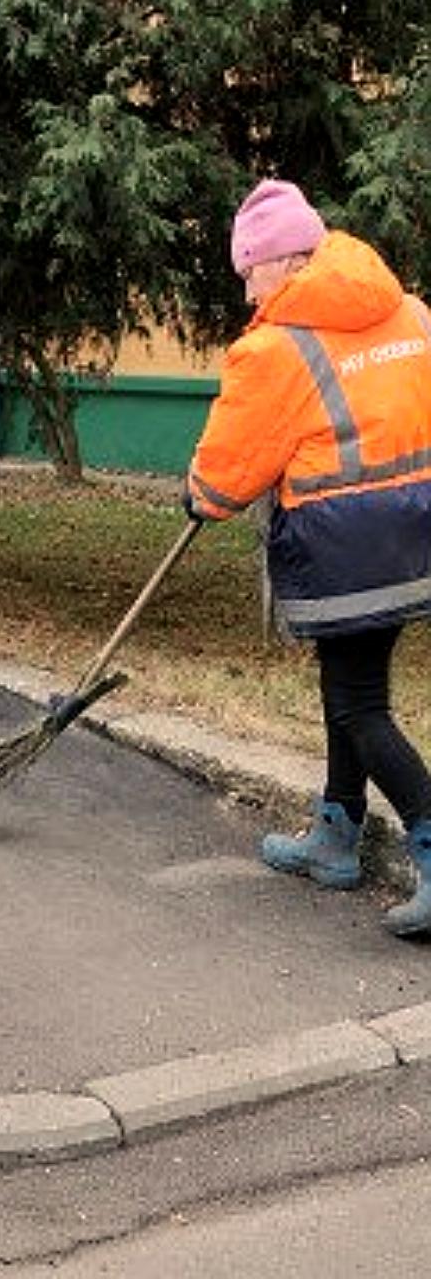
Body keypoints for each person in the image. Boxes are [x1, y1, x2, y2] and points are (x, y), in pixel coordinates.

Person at [184, 177, 431, 938]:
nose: (247, 288)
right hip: (414, 532)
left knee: (359, 706)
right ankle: (336, 833)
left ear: (287, 262)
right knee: (348, 686)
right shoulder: (413, 313)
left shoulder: (275, 348)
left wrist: (199, 497)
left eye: (249, 270)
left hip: (343, 548)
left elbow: (226, 475)